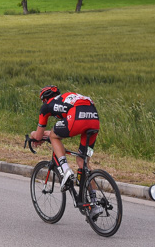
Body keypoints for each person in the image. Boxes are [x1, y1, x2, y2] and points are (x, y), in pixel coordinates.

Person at [28, 85, 103, 216]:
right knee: (82, 161)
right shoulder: (66, 97)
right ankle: (94, 203)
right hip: (94, 119)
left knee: (53, 136)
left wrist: (33, 135)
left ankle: (66, 169)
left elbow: (39, 136)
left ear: (44, 99)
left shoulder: (46, 106)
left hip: (77, 116)